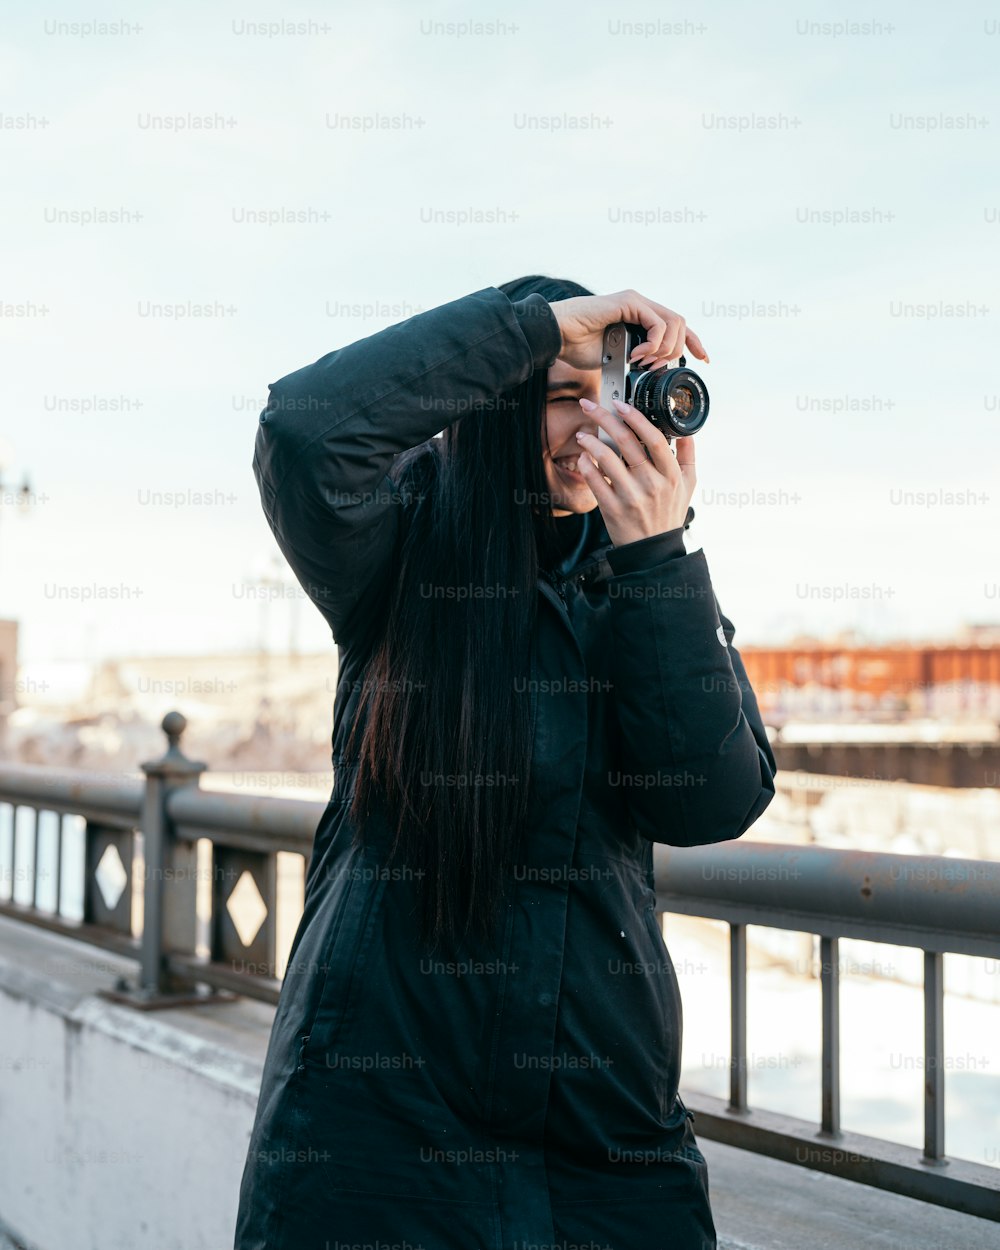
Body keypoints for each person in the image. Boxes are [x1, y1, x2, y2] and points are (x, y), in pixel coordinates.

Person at [233, 276, 778, 1250]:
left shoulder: (644, 580)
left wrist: (655, 556)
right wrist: (530, 326)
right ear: (498, 401)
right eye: (567, 392)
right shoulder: (402, 547)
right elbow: (306, 433)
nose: (597, 424)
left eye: (621, 393)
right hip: (376, 1142)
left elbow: (712, 798)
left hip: (603, 1154)